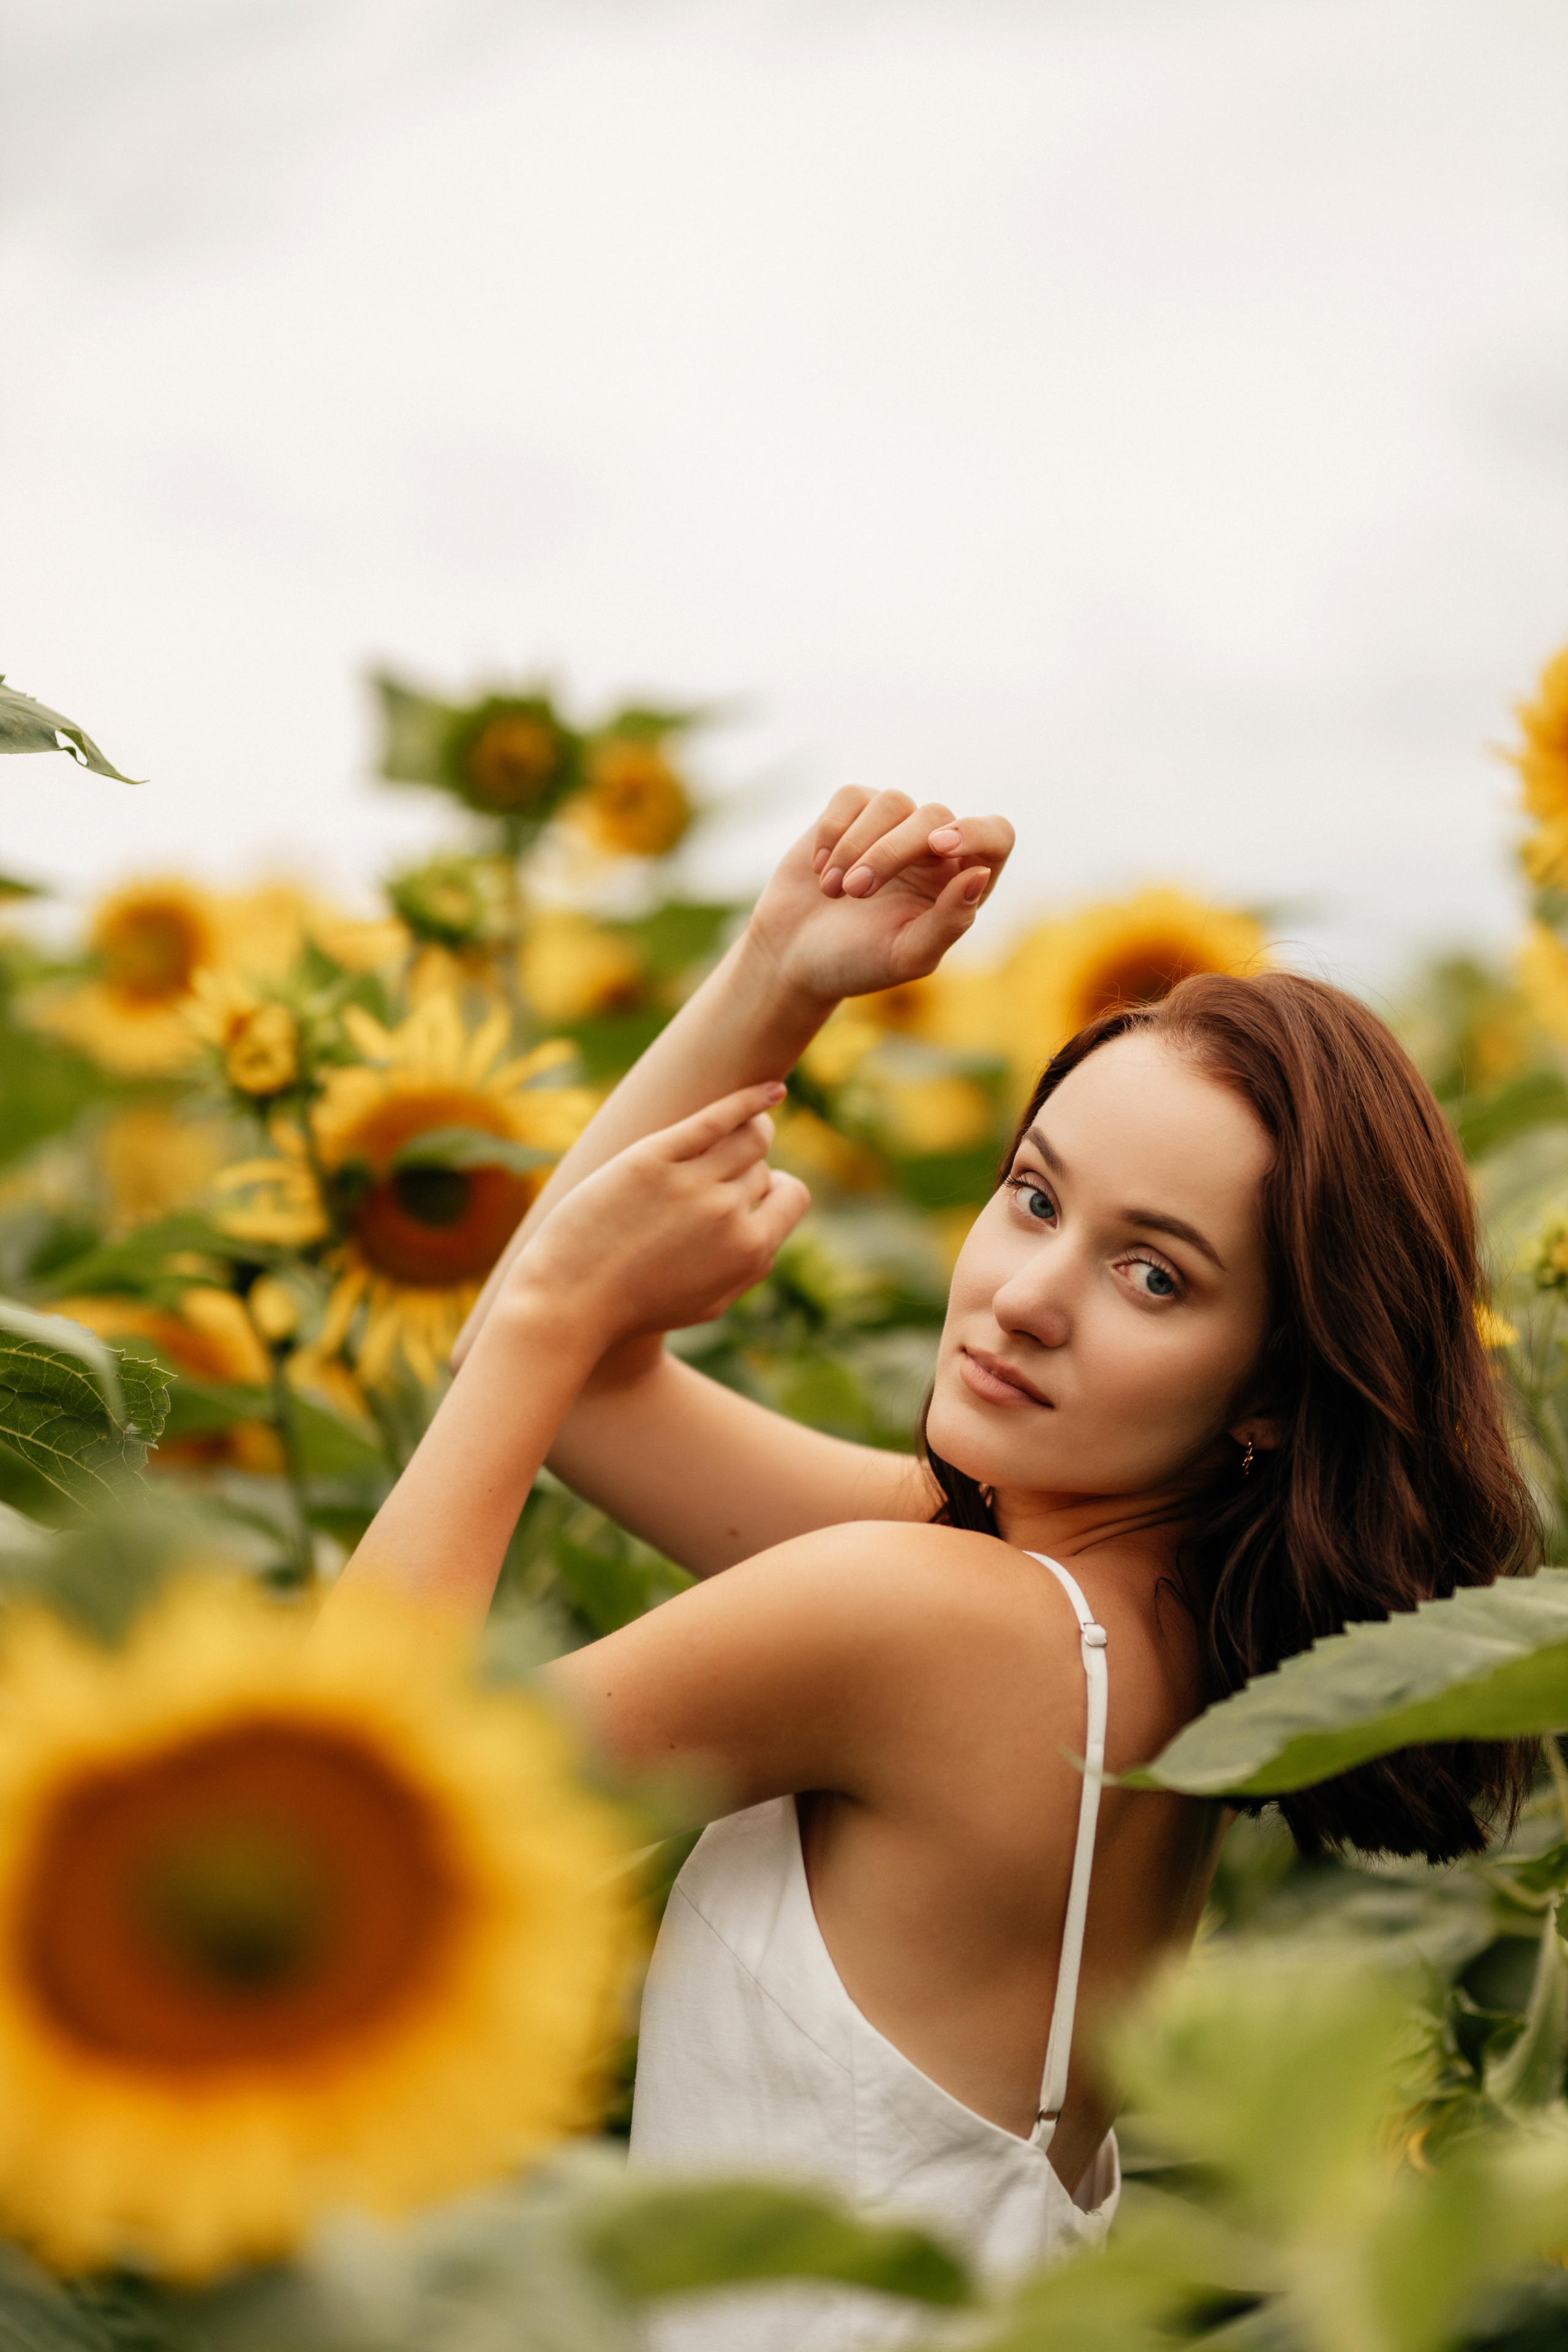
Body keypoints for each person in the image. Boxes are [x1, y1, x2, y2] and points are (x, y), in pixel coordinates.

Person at [337, 790, 1537, 2350]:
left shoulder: (921, 1620)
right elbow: (565, 1368)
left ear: (1268, 1390)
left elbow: (342, 1824)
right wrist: (776, 978)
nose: (1026, 1296)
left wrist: (559, 1311)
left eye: (1150, 1273)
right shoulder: (1133, 1618)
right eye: (1033, 1196)